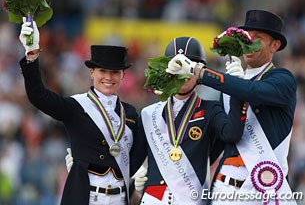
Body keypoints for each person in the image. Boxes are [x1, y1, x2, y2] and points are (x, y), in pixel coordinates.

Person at [166, 10, 297, 204]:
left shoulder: (283, 79)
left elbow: (251, 91)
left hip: (263, 189)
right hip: (224, 189)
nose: (249, 44)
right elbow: (228, 135)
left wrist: (200, 72)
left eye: (258, 38)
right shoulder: (229, 86)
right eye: (246, 38)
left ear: (275, 45)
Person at [18, 17, 143, 205]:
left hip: (120, 198)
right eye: (103, 71)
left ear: (123, 75)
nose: (109, 77)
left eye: (115, 72)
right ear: (92, 72)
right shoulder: (76, 106)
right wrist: (31, 52)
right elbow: (38, 96)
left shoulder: (131, 114)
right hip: (86, 197)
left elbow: (133, 160)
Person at [134, 36, 247, 205]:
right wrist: (137, 174)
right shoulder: (150, 113)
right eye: (178, 66)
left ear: (199, 72)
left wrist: (238, 89)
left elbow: (232, 134)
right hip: (153, 199)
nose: (184, 74)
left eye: (190, 67)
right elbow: (134, 159)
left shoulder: (211, 110)